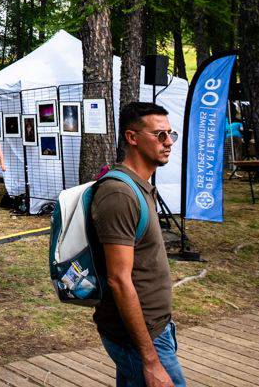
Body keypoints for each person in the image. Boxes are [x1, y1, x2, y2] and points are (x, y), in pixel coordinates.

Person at [91, 102, 184, 387]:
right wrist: (150, 359)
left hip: (153, 328)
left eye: (170, 134)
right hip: (139, 337)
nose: (168, 142)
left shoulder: (139, 186)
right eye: (159, 135)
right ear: (132, 138)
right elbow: (119, 279)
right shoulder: (119, 194)